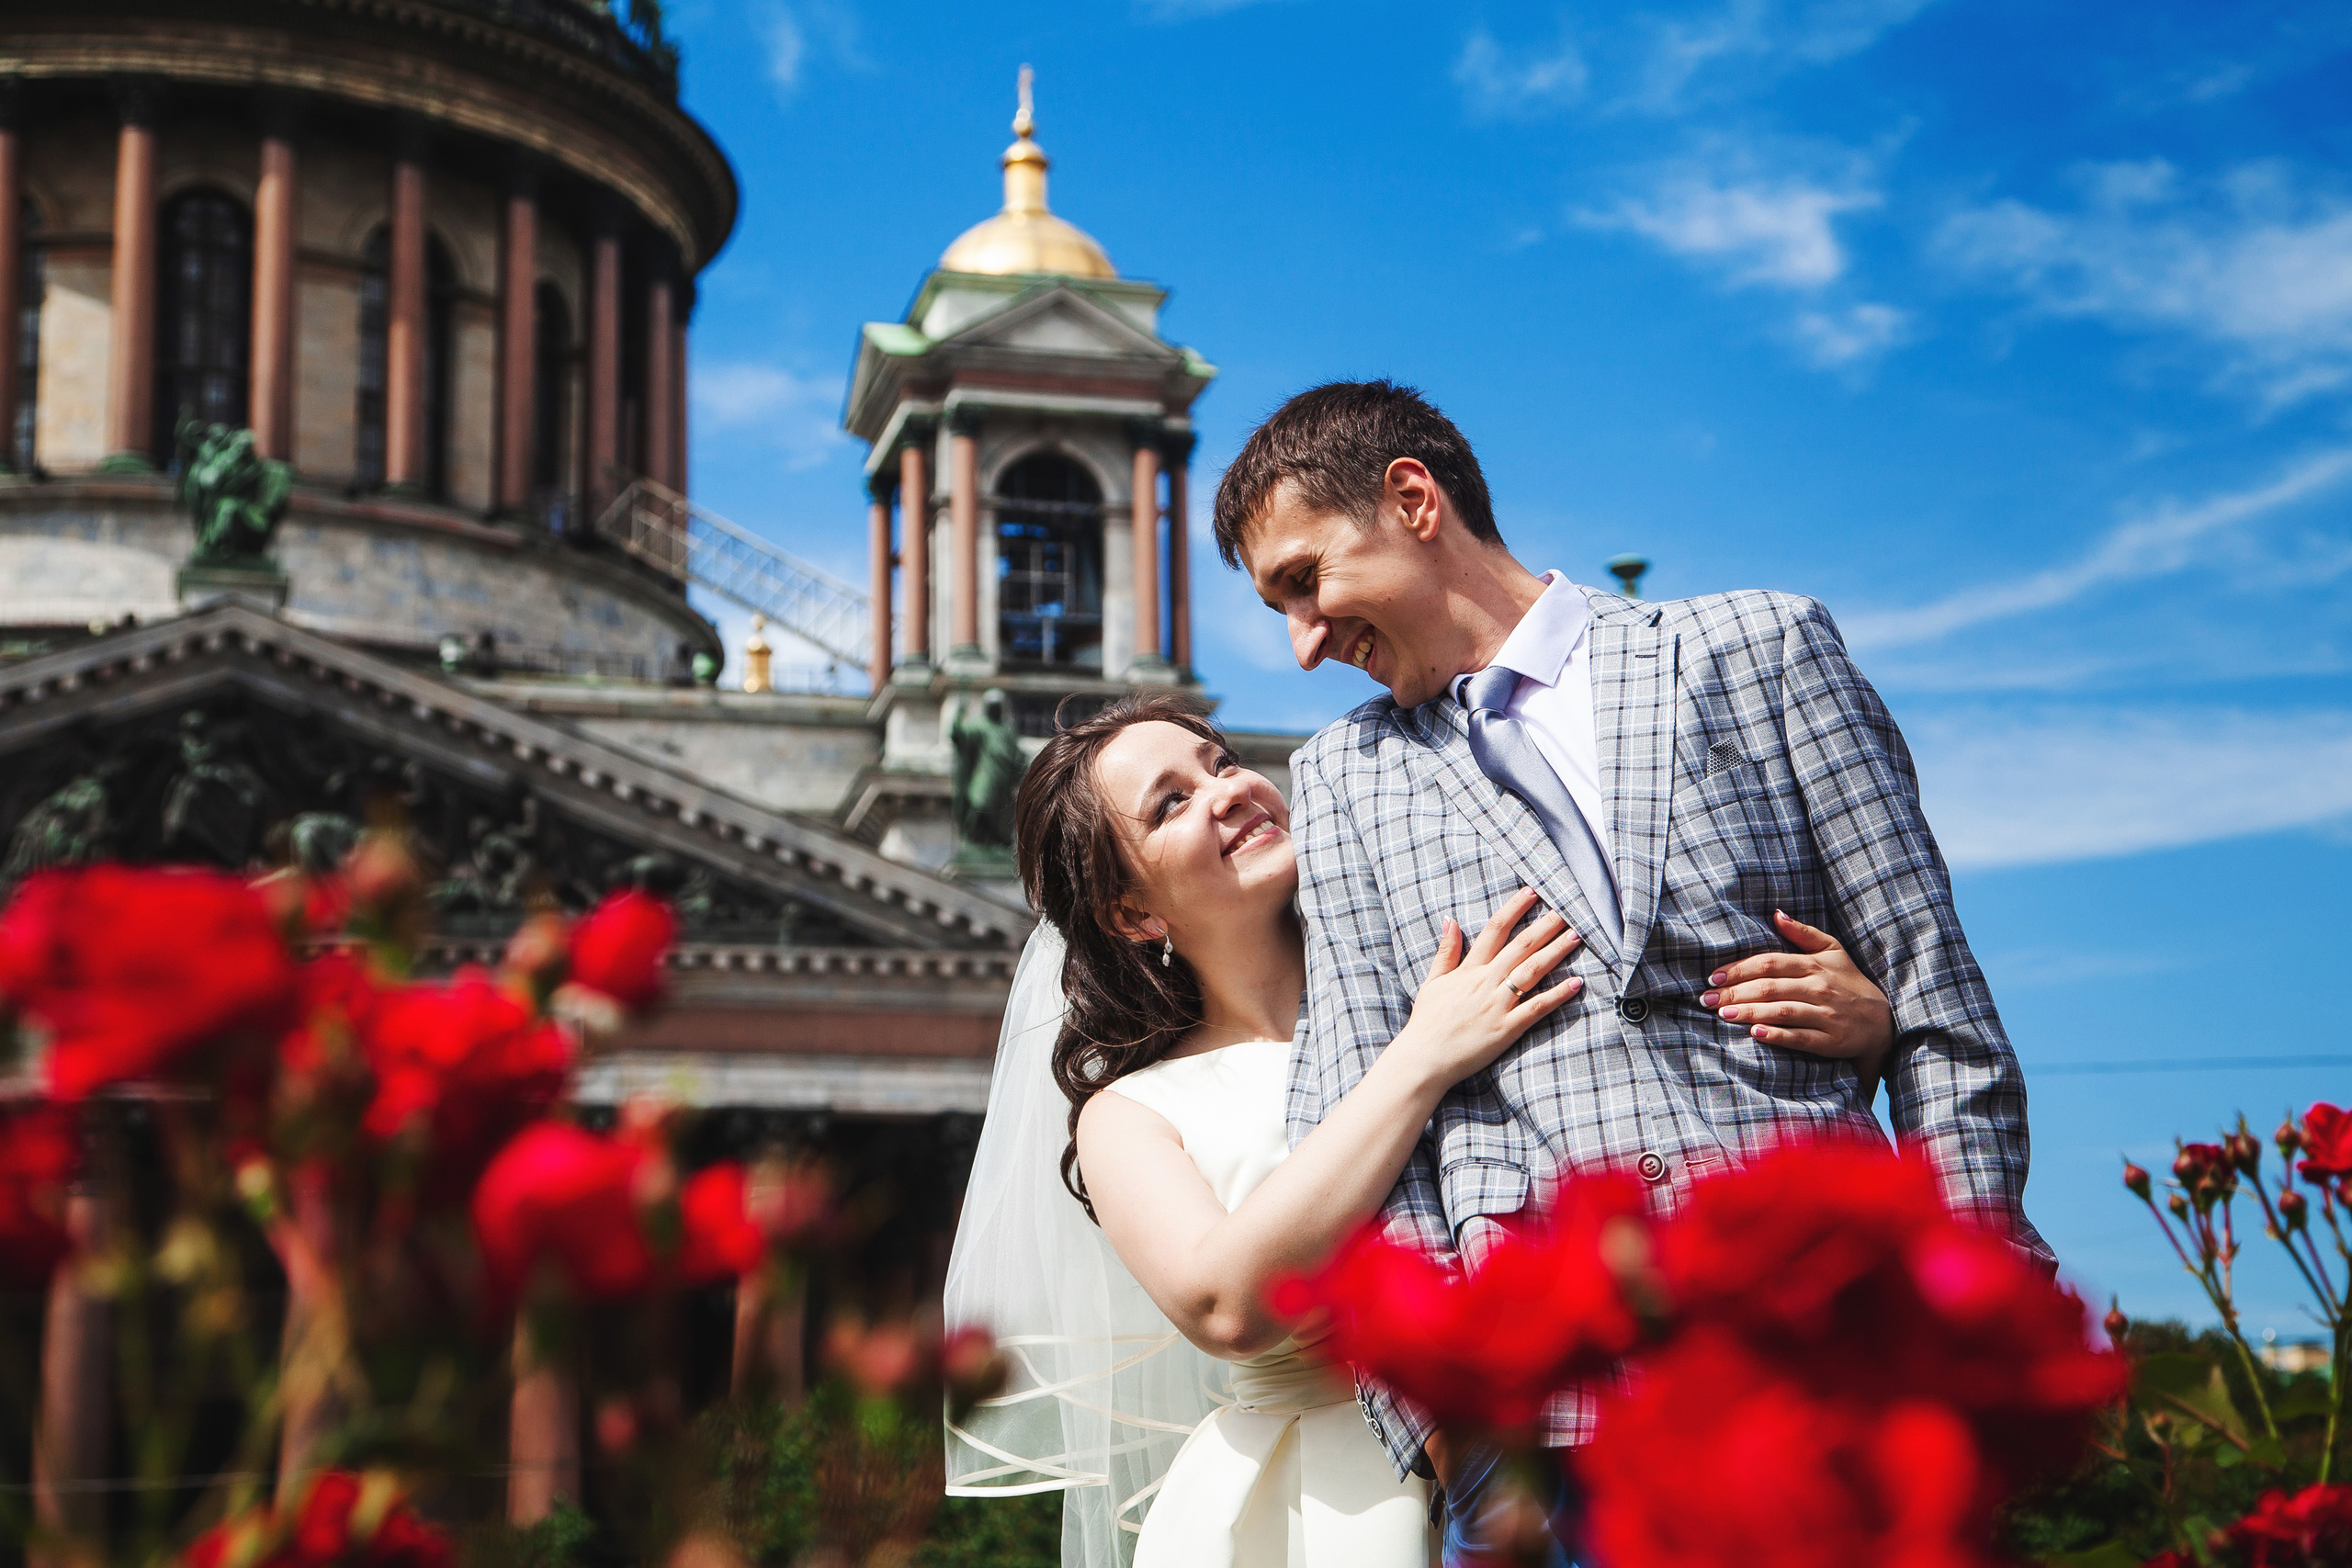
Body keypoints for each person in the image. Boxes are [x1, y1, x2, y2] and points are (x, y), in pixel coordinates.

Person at [1208, 379, 2050, 1564]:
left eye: (1304, 581)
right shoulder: (1345, 774)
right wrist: (1454, 1433)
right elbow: (1350, 1108)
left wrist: (1964, 1330)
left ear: (1412, 502)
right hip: (1546, 1443)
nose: (1302, 645)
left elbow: (1941, 1016)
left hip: (1823, 1376)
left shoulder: (1758, 650)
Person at [941, 694, 1894, 1567]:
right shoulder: (1133, 1111)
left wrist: (1859, 1032)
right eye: (1170, 803)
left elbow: (1652, 1086)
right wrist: (1421, 1055)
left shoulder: (1446, 970)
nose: (1227, 791)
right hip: (1310, 1508)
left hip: (1563, 1465)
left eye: (1221, 761)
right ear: (1131, 911)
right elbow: (1224, 1303)